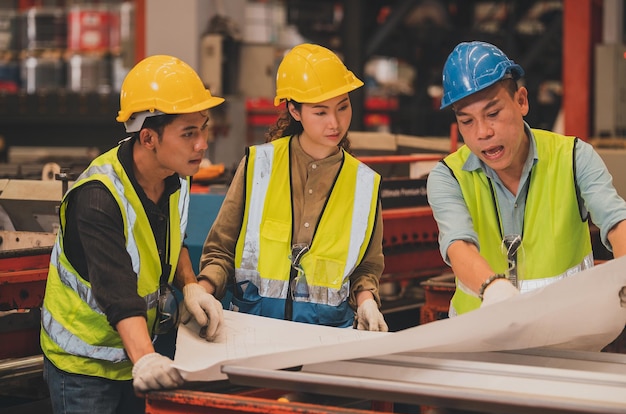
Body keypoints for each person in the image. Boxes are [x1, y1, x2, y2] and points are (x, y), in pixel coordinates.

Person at [40, 55, 226, 414]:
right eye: (189, 133)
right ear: (148, 137)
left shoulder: (176, 178)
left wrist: (190, 285)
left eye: (203, 128)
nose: (202, 144)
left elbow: (170, 244)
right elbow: (117, 291)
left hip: (136, 354)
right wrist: (147, 359)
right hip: (85, 367)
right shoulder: (98, 198)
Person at [427, 41, 626, 317]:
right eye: (467, 121)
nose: (483, 132)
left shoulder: (573, 157)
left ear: (521, 101)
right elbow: (458, 245)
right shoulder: (447, 176)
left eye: (493, 114)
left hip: (568, 334)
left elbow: (616, 221)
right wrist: (493, 288)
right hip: (479, 336)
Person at [198, 43, 388, 331]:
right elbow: (221, 250)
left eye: (343, 107)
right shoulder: (258, 165)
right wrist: (202, 291)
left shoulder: (364, 183)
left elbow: (366, 268)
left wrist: (367, 301)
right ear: (294, 111)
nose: (335, 123)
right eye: (320, 112)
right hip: (253, 333)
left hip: (325, 340)